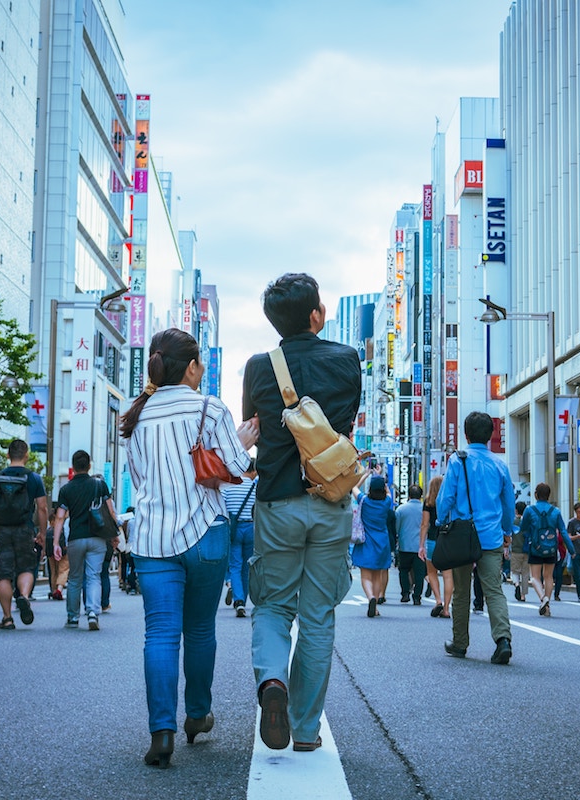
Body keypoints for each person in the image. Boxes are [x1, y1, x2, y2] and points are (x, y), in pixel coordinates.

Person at [122, 328, 256, 767]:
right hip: (205, 532)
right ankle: (197, 714)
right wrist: (241, 440)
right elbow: (238, 469)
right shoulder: (209, 408)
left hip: (151, 538)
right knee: (199, 630)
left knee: (159, 634)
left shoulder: (134, 415)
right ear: (193, 367)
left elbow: (139, 481)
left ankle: (161, 732)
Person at [242, 273, 360, 753]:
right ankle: (306, 730)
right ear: (316, 315)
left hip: (276, 500)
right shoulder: (347, 359)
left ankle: (273, 681)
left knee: (272, 604)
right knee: (317, 615)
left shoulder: (256, 366)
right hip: (330, 499)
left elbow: (253, 425)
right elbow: (348, 421)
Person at [437, 412, 515, 663]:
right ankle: (502, 640)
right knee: (494, 590)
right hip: (491, 537)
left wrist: (441, 521)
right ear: (491, 435)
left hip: (462, 535)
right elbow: (508, 504)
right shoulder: (500, 464)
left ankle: (460, 643)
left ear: (466, 434)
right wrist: (507, 532)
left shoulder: (457, 461)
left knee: (461, 591)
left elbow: (446, 497)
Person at [0, 439, 49, 630]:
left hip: (1, 530)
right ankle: (24, 596)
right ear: (26, 455)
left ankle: (7, 617)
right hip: (24, 529)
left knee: (4, 574)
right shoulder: (34, 478)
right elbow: (42, 508)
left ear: (8, 455)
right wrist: (42, 533)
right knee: (26, 568)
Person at [52, 449, 117, 630]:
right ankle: (92, 613)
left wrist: (56, 542)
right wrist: (115, 535)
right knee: (94, 576)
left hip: (76, 539)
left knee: (74, 578)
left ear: (73, 466)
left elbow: (59, 517)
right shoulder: (100, 486)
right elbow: (110, 511)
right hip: (97, 538)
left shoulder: (66, 489)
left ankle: (73, 618)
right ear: (89, 465)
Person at [520, 482, 573, 616]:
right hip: (551, 548)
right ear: (549, 496)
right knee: (549, 576)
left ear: (536, 495)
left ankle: (544, 599)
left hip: (536, 547)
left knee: (535, 577)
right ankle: (547, 606)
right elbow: (563, 532)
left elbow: (523, 528)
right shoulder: (555, 511)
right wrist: (572, 550)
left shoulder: (529, 510)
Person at [352, 473, 396, 618]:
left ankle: (370, 597)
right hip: (382, 541)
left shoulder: (364, 500)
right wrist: (384, 481)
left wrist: (365, 474)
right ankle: (375, 605)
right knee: (377, 575)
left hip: (366, 542)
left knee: (366, 575)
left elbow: (354, 487)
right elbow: (389, 492)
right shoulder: (386, 502)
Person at [220, 459, 258, 617]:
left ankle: (239, 600)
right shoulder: (255, 487)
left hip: (234, 529)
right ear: (253, 471)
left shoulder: (229, 487)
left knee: (235, 565)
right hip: (251, 528)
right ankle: (244, 598)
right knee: (247, 567)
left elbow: (221, 507)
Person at [418, 475, 452, 618]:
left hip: (432, 540)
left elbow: (425, 524)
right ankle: (446, 608)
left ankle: (438, 600)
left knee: (431, 572)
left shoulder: (428, 502)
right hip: (449, 541)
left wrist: (421, 545)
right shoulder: (450, 501)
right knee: (448, 575)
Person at [395, 483, 425, 605]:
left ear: (409, 495)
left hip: (404, 544)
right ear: (420, 496)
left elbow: (397, 527)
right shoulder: (424, 509)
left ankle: (405, 593)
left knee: (403, 570)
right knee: (419, 573)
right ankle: (417, 596)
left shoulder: (401, 509)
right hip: (420, 546)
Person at [509, 500, 528, 602]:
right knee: (525, 573)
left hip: (516, 549)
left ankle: (517, 585)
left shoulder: (513, 521)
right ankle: (523, 595)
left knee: (515, 571)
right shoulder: (527, 522)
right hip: (526, 550)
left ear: (516, 510)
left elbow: (509, 535)